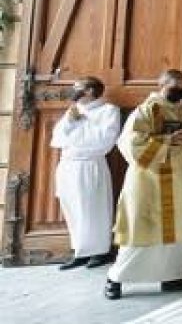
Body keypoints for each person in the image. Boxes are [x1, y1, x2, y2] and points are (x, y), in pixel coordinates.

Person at [106, 69, 182, 300]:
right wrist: (168, 140)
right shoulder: (147, 110)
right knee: (145, 229)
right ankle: (115, 279)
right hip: (151, 181)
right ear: (162, 86)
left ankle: (175, 276)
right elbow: (131, 143)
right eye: (174, 89)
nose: (179, 94)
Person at [51, 76, 121, 270]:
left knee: (92, 209)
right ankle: (80, 251)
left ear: (90, 91)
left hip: (90, 164)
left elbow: (104, 141)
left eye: (78, 87)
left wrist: (82, 126)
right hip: (68, 165)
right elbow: (57, 139)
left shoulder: (109, 111)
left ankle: (100, 251)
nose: (74, 90)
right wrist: (70, 123)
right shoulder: (73, 111)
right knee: (72, 207)